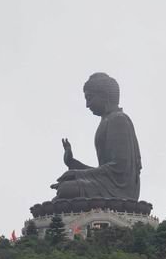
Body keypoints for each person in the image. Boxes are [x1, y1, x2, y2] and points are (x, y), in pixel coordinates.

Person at [51, 73, 141, 201]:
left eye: (90, 98)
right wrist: (72, 163)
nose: (87, 105)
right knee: (62, 193)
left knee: (65, 189)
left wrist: (77, 174)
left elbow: (119, 169)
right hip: (108, 184)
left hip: (120, 190)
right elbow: (104, 171)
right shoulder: (107, 120)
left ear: (104, 95)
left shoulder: (118, 120)